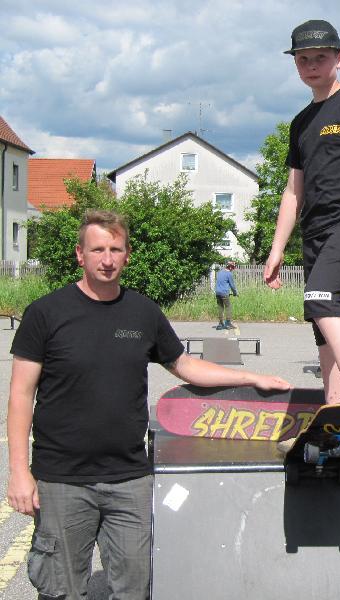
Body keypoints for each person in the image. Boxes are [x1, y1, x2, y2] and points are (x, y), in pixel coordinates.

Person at [6, 210, 290, 600]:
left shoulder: (142, 312)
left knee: (135, 589)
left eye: (115, 249)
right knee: (61, 591)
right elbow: (21, 396)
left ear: (127, 254)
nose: (107, 259)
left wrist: (251, 378)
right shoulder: (45, 314)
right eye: (98, 249)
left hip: (129, 479)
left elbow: (184, 365)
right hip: (62, 480)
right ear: (80, 254)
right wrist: (20, 473)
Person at [263, 19, 340, 404]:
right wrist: (276, 248)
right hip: (314, 231)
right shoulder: (301, 123)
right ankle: (334, 406)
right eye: (303, 59)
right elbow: (292, 191)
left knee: (320, 297)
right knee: (322, 318)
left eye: (320, 57)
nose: (311, 65)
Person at [215, 260, 239, 330]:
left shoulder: (220, 272)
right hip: (224, 293)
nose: (233, 269)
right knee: (228, 307)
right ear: (230, 267)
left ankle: (220, 324)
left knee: (220, 308)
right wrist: (235, 293)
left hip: (217, 293)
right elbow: (232, 286)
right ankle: (228, 323)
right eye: (233, 267)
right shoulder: (229, 274)